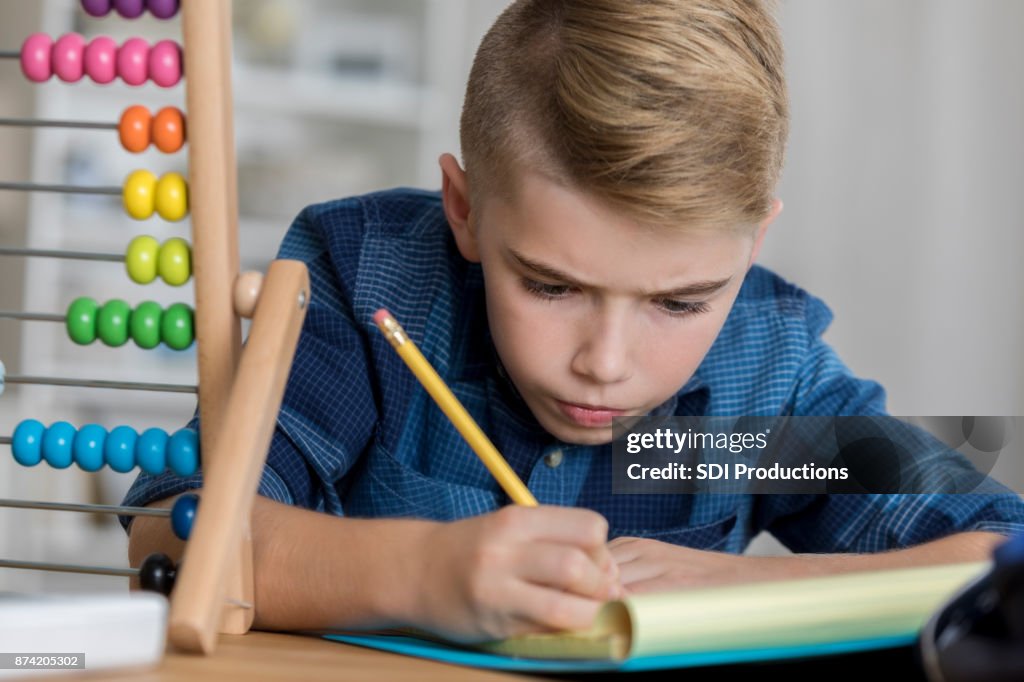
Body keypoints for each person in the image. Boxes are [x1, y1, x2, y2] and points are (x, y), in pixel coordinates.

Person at [123, 0, 1024, 643]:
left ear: (751, 249)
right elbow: (172, 532)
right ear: (466, 211)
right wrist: (419, 574)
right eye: (551, 287)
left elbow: (1000, 546)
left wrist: (754, 578)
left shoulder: (764, 372)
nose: (607, 362)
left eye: (680, 302)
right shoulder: (369, 284)